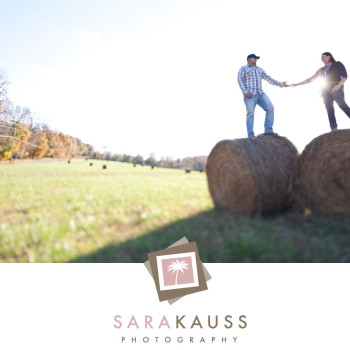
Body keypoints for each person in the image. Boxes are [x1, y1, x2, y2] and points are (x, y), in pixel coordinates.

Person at [292, 52, 350, 131]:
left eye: (323, 57)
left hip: (336, 88)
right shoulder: (321, 70)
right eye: (321, 58)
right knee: (329, 109)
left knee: (342, 105)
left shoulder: (337, 64)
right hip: (325, 92)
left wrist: (338, 85)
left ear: (329, 56)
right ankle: (334, 129)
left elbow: (344, 76)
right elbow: (310, 79)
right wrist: (297, 84)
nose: (322, 59)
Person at [237, 54, 289, 138]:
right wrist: (245, 91)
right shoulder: (243, 68)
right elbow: (239, 80)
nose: (256, 60)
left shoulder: (260, 70)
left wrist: (281, 84)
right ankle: (251, 135)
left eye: (256, 59)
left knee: (270, 108)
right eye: (254, 58)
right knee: (250, 114)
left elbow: (269, 79)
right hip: (250, 94)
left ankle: (268, 131)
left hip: (260, 94)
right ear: (249, 59)